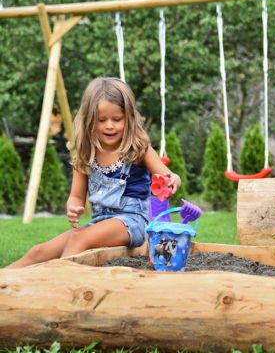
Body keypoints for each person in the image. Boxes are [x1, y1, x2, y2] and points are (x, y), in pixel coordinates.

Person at [8, 77, 180, 268]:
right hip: (99, 223)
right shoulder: (86, 155)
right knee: (37, 252)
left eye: (117, 119)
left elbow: (167, 176)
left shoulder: (138, 149)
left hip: (134, 222)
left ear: (129, 118)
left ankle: (59, 286)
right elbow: (76, 196)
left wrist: (172, 180)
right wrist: (73, 208)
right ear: (90, 121)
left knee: (77, 239)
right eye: (102, 120)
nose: (109, 125)